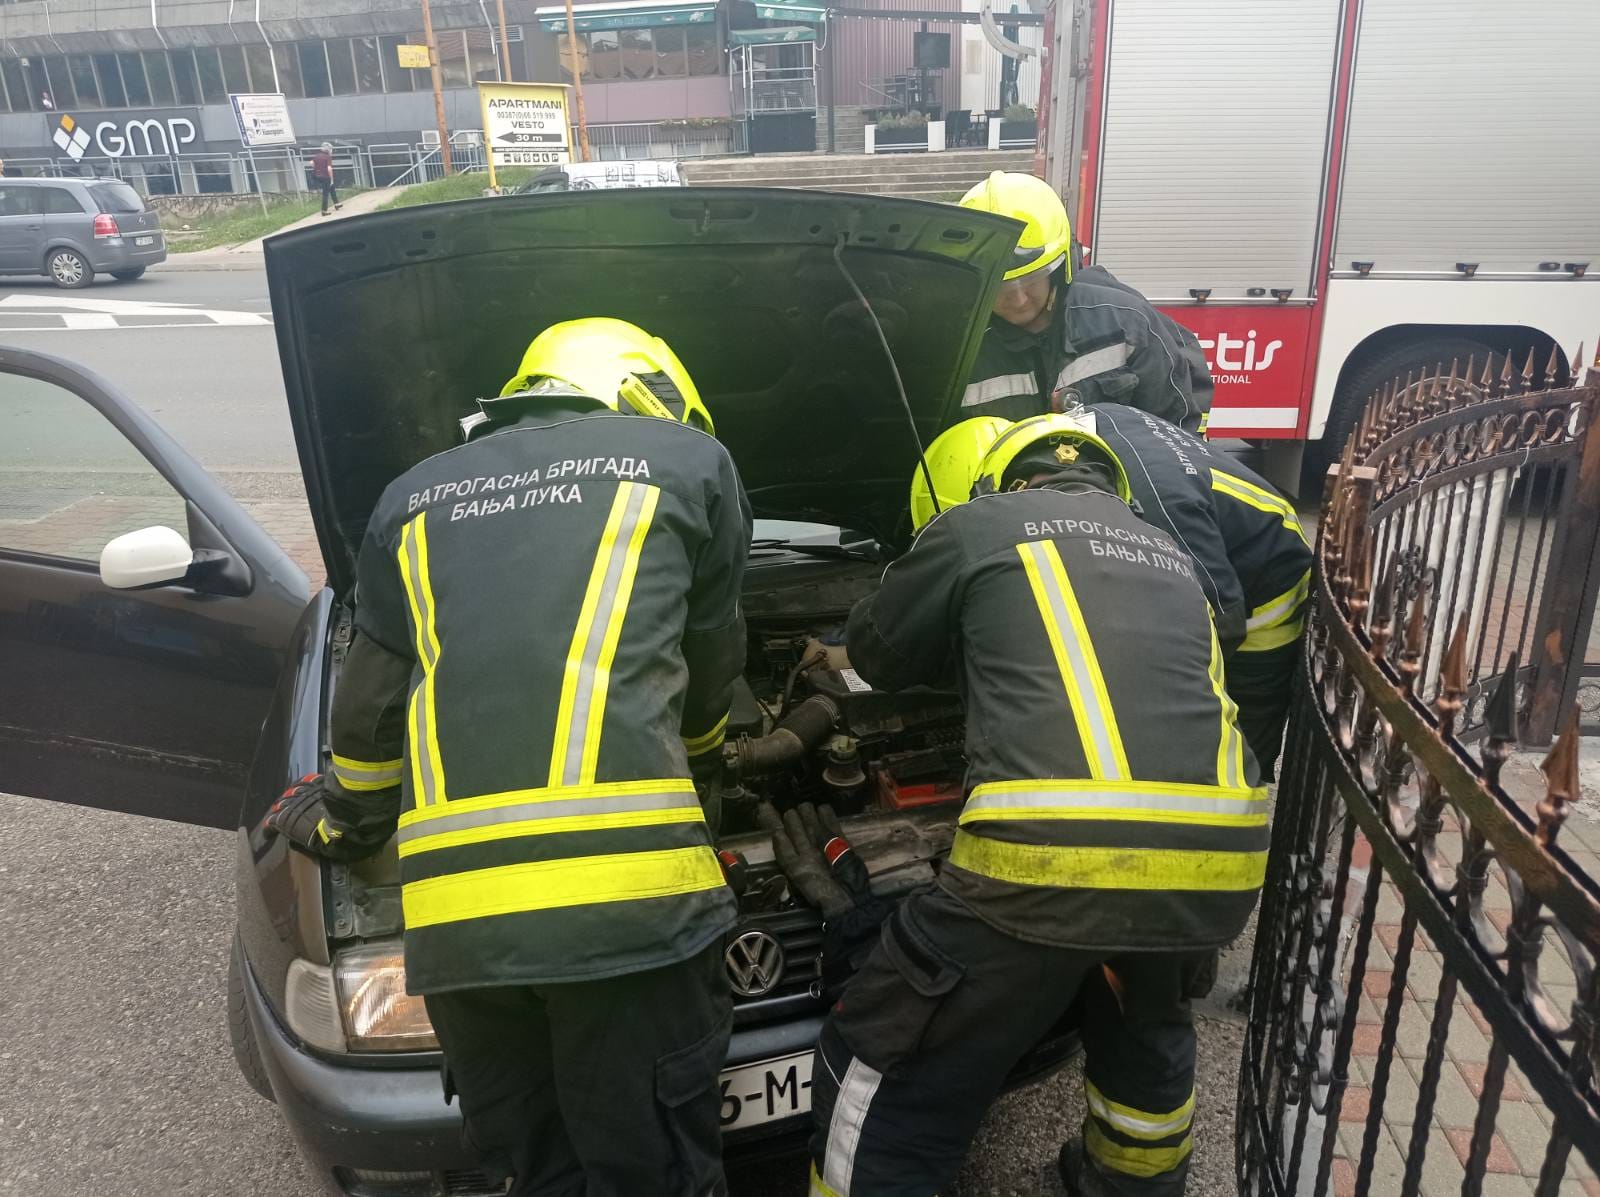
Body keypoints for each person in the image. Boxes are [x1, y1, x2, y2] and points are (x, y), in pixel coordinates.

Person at [263, 317, 750, 1196]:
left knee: (532, 1170)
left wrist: (343, 819)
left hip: (462, 936)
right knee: (654, 1174)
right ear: (648, 393)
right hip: (632, 922)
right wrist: (707, 769)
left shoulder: (409, 499)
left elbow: (368, 713)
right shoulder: (688, 467)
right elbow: (711, 662)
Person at [802, 412, 1266, 1197]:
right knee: (1143, 1022)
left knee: (879, 1060)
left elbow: (881, 653)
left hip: (1047, 854)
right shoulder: (1173, 554)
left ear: (991, 482)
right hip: (1216, 859)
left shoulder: (979, 523)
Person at [954, 171, 1213, 435]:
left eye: (1032, 279)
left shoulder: (1126, 324)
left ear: (1061, 265)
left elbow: (1178, 432)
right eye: (1001, 287)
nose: (1018, 299)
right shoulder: (958, 354)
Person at [312, 142, 341, 215]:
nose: (331, 150)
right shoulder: (328, 157)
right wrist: (331, 179)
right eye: (331, 149)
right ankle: (324, 211)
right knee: (325, 193)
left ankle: (336, 204)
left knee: (331, 187)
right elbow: (329, 168)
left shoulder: (317, 155)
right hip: (325, 176)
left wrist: (316, 169)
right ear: (328, 150)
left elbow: (311, 163)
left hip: (317, 176)